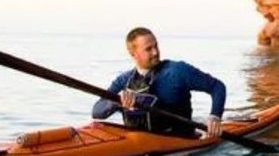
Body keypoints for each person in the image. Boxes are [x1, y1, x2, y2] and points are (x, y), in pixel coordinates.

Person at [91, 27, 226, 139]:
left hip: (181, 141)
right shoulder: (124, 80)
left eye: (156, 46)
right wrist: (117, 101)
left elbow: (217, 87)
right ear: (133, 54)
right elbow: (96, 111)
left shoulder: (177, 71)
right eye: (148, 49)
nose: (155, 52)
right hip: (139, 142)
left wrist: (215, 116)